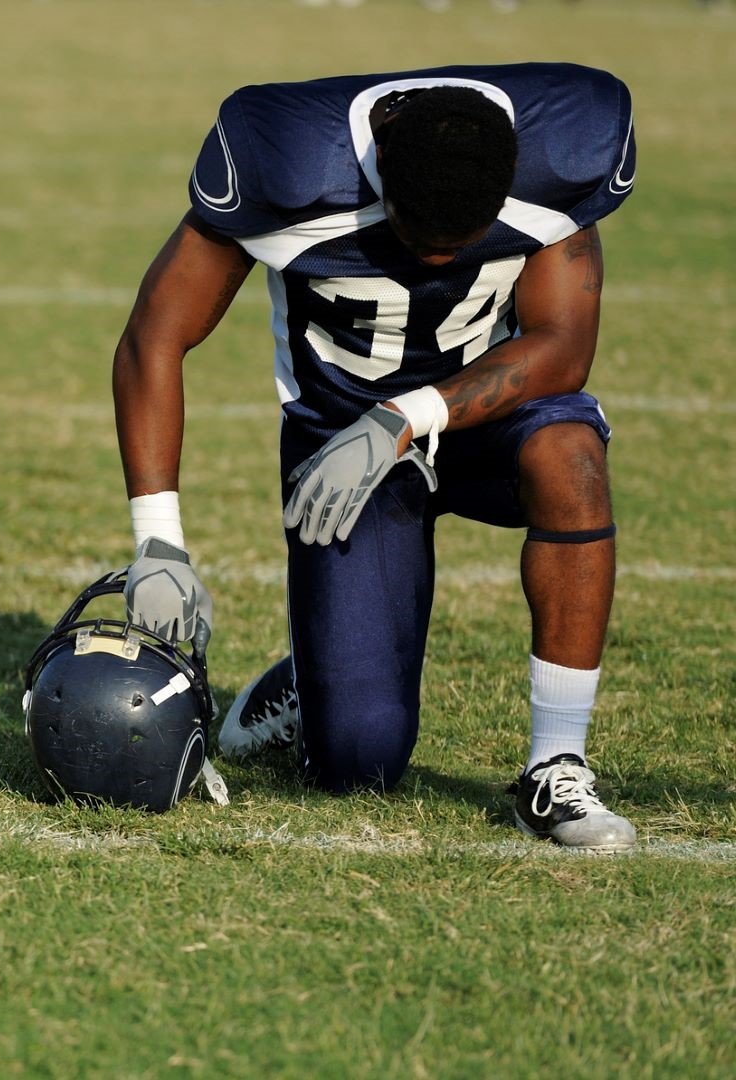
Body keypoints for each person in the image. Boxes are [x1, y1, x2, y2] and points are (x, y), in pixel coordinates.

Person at [111, 64, 638, 851]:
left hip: (486, 417)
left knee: (571, 456)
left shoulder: (564, 144)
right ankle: (309, 680)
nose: (435, 264)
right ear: (380, 175)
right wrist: (158, 539)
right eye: (417, 239)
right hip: (340, 446)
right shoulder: (287, 157)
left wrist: (407, 414)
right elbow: (155, 335)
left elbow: (563, 346)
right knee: (360, 763)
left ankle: (554, 763)